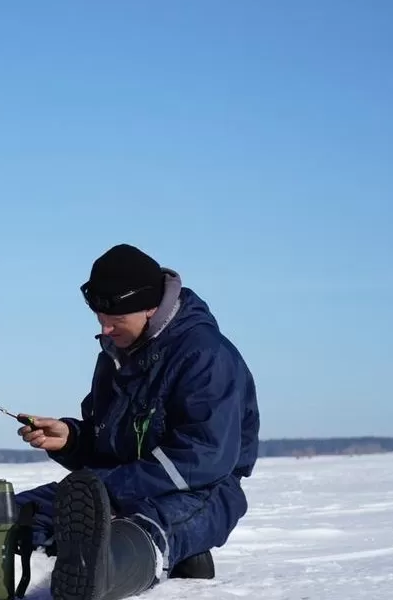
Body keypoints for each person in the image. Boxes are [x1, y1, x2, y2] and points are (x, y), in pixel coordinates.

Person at [13, 244, 259, 600]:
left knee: (140, 529)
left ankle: (101, 572)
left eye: (115, 320)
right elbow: (107, 445)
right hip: (116, 486)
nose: (106, 328)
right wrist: (70, 439)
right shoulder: (114, 357)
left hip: (200, 492)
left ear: (150, 307)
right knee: (16, 515)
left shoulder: (206, 356)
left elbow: (204, 456)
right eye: (100, 318)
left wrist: (111, 489)